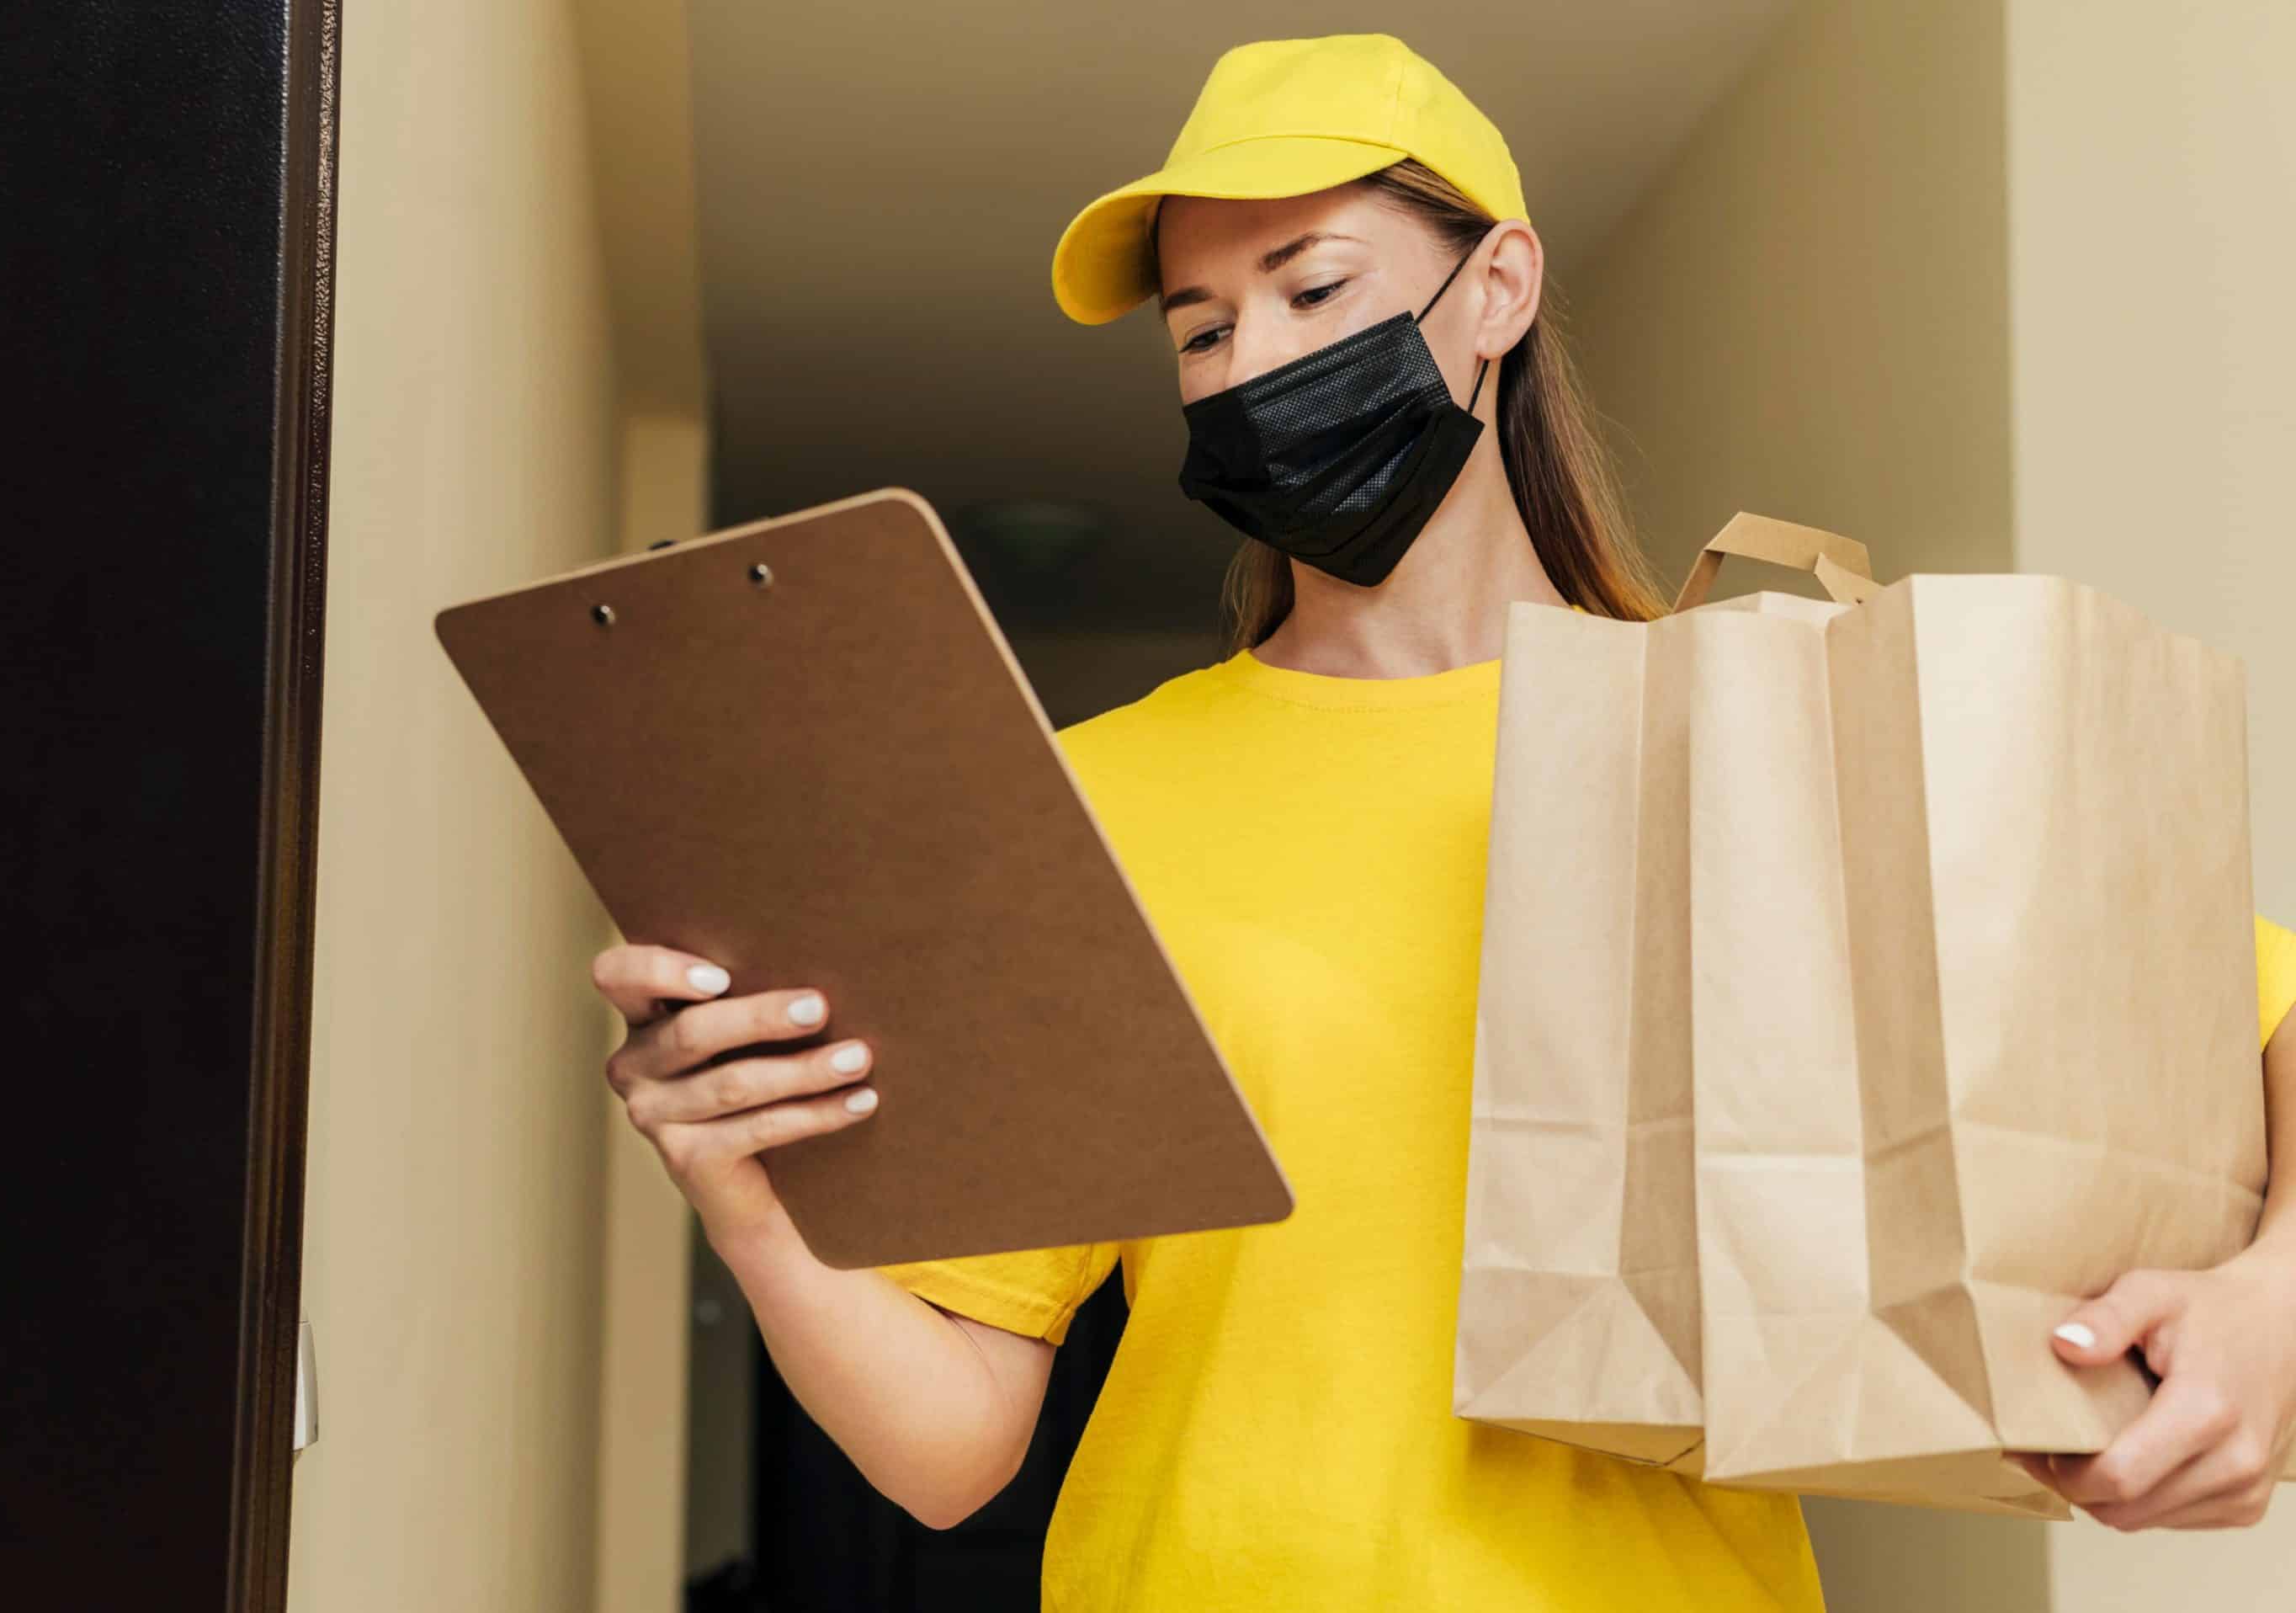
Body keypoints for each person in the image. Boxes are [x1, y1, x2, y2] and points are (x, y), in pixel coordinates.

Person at [588, 32, 2296, 1610]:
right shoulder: (1095, 802)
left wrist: (2268, 1303)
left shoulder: (1767, 740)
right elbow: (956, 1448)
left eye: (1310, 287)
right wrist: (742, 1196)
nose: (1249, 359)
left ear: (1500, 290)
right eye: (1200, 327)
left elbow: (2246, 1020)